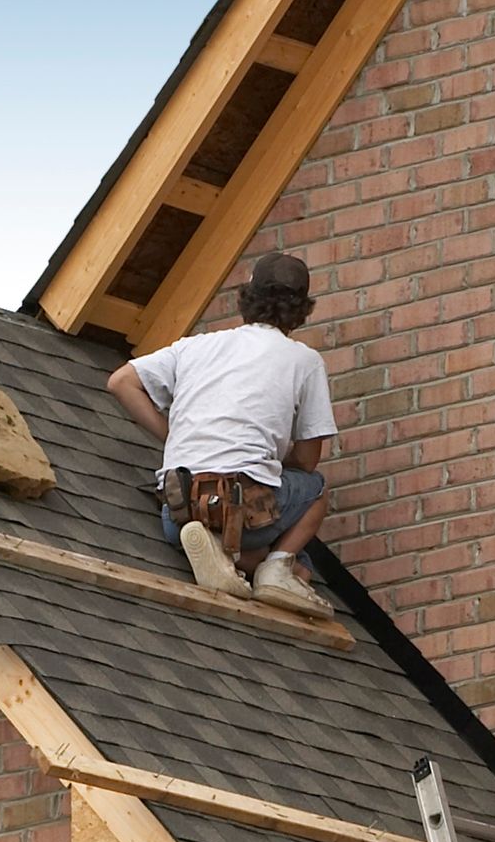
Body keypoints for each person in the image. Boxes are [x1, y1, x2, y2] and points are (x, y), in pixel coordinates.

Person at [105, 249, 335, 615]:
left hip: (179, 512)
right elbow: (308, 460)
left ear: (247, 297)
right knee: (317, 489)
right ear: (301, 310)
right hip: (247, 512)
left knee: (299, 560)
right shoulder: (303, 361)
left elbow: (121, 382)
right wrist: (273, 456)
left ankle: (226, 555)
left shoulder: (196, 346)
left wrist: (174, 436)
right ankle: (274, 570)